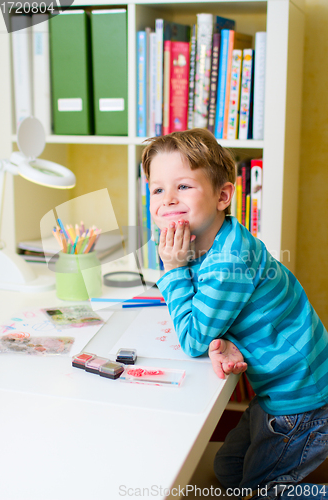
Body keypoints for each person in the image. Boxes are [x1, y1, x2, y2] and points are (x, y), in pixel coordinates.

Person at [141, 128, 328, 499]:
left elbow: (194, 340)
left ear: (223, 195)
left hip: (300, 402)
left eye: (184, 187)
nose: (167, 201)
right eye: (158, 189)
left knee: (257, 493)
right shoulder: (216, 238)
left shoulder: (230, 259)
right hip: (281, 390)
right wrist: (221, 334)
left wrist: (173, 270)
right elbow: (211, 311)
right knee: (226, 468)